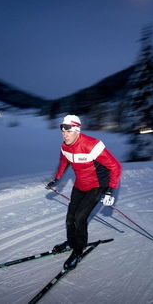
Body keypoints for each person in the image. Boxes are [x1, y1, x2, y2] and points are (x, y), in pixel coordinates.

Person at [46, 115, 122, 270]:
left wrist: (110, 191)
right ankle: (72, 242)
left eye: (68, 131)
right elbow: (64, 161)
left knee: (80, 218)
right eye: (63, 131)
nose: (64, 135)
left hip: (97, 186)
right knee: (70, 217)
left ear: (77, 130)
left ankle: (78, 250)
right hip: (80, 184)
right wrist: (57, 179)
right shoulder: (65, 146)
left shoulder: (92, 145)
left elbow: (115, 166)